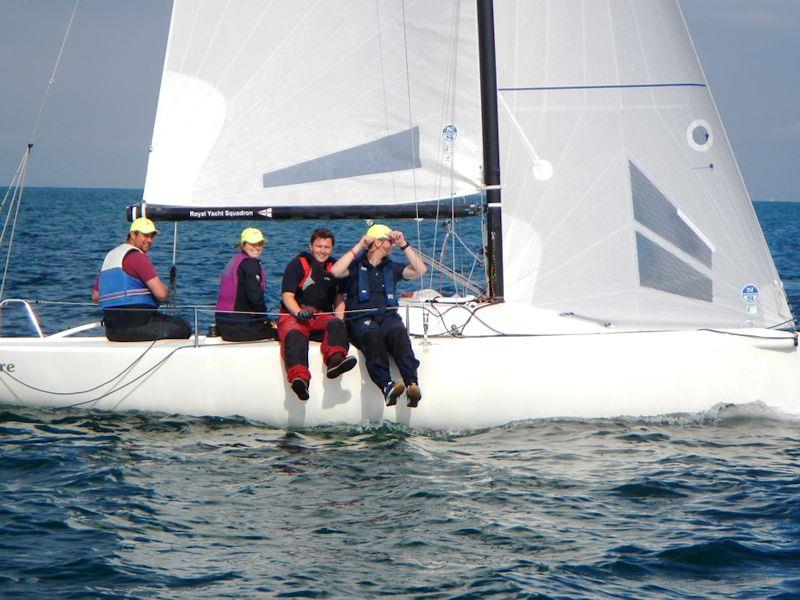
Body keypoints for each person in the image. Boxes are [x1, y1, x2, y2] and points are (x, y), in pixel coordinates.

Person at [331, 224, 426, 407]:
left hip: (387, 318)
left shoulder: (391, 268)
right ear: (378, 243)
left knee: (398, 334)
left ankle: (412, 383)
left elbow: (420, 270)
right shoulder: (354, 267)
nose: (392, 245)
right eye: (389, 241)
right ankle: (386, 385)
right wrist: (360, 245)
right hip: (361, 319)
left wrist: (403, 244)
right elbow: (335, 271)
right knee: (371, 336)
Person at [279, 228, 357, 401]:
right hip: (295, 317)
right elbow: (287, 296)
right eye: (319, 246)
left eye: (327, 247)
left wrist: (341, 322)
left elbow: (338, 299)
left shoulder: (334, 268)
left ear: (332, 249)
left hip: (320, 317)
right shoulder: (298, 264)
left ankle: (335, 362)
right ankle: (300, 380)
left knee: (336, 325)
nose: (322, 251)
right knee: (295, 337)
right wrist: (299, 312)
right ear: (311, 246)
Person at [92, 217, 192, 342]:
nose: (149, 240)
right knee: (183, 325)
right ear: (133, 234)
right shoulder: (137, 258)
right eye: (145, 235)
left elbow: (96, 296)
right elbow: (161, 294)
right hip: (138, 326)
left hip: (113, 331)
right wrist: (168, 291)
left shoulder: (111, 257)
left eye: (152, 236)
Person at [215, 227, 277, 342]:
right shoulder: (250, 264)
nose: (257, 248)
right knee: (281, 332)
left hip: (223, 323)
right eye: (253, 244)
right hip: (239, 326)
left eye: (260, 244)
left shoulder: (235, 260)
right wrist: (265, 319)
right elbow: (255, 298)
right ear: (243, 245)